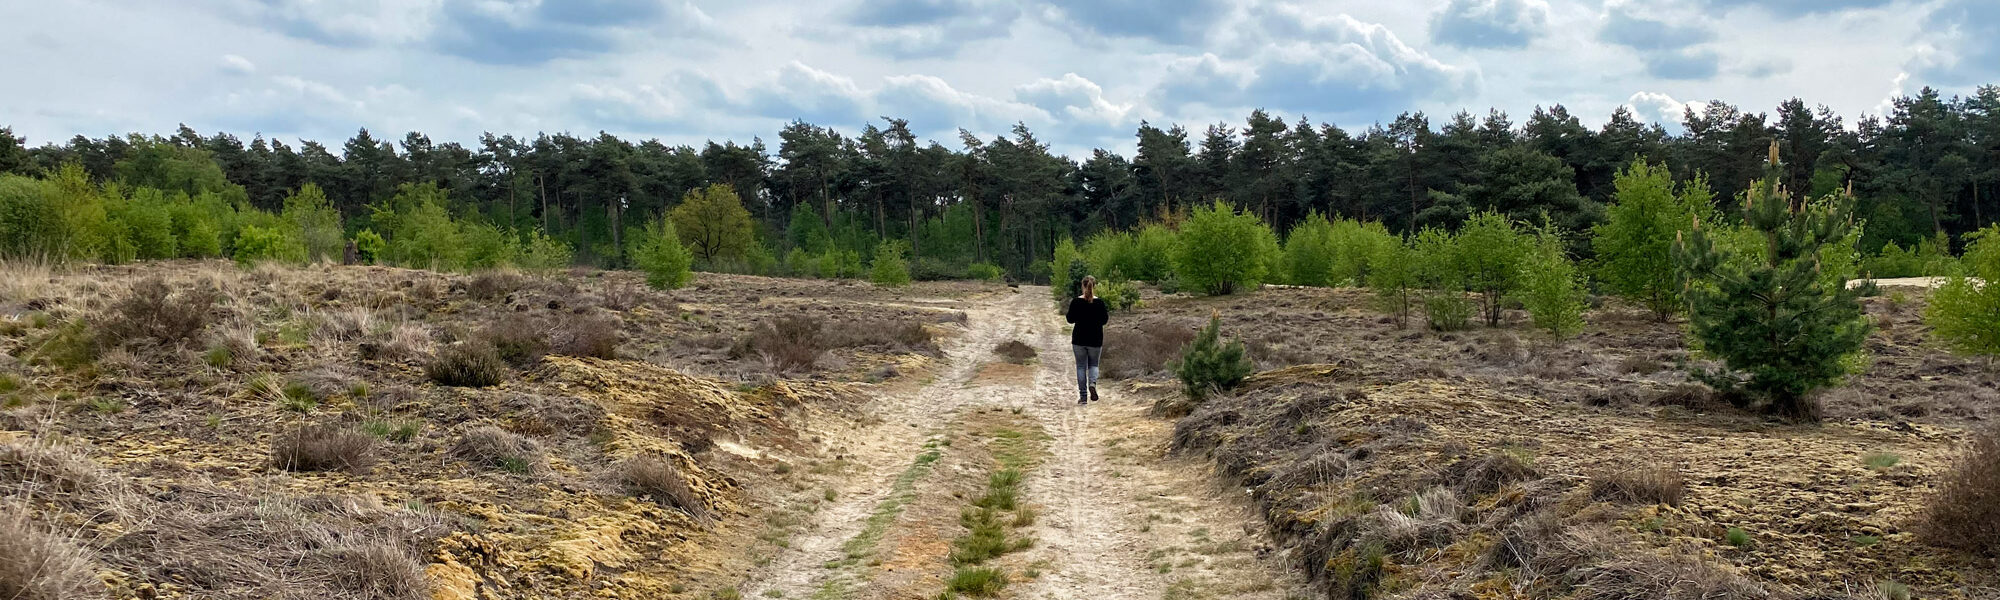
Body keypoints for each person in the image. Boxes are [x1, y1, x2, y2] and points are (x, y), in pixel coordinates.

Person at [1065, 275, 1109, 405]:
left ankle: (1083, 397)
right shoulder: (1100, 303)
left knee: (1080, 366)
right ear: (1094, 286)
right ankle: (1093, 384)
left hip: (1079, 339)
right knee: (1094, 365)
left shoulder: (1075, 302)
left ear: (1082, 286)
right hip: (1095, 339)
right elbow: (1104, 320)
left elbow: (1069, 319)